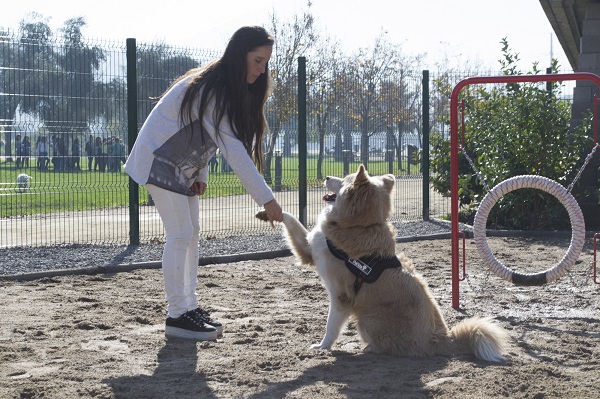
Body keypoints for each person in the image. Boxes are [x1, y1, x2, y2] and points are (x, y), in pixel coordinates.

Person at [124, 26, 283, 341]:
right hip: (159, 158)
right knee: (180, 233)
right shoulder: (215, 88)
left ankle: (189, 308)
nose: (261, 69)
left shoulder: (223, 87)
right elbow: (233, 151)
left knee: (192, 234)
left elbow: (204, 134)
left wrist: (200, 174)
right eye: (256, 60)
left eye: (265, 62)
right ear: (239, 56)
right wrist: (267, 199)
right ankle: (176, 315)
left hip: (181, 165)